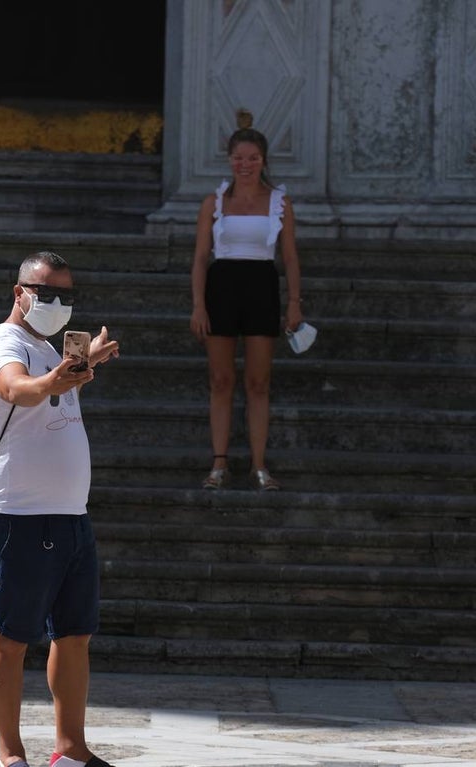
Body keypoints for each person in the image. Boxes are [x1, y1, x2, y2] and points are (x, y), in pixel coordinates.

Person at [0, 251, 120, 767]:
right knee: (10, 637)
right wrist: (50, 383)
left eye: (66, 295)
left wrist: (84, 363)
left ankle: (71, 749)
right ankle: (10, 756)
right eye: (46, 293)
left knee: (75, 635)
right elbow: (14, 387)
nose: (57, 303)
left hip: (71, 515)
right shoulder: (4, 345)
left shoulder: (50, 349)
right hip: (19, 516)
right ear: (19, 293)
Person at [189, 109, 303, 491]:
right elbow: (200, 258)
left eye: (253, 158)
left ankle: (258, 465)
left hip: (261, 287)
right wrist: (198, 305)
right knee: (221, 380)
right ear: (230, 160)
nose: (245, 165)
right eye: (239, 158)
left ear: (263, 161)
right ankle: (219, 463)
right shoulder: (213, 203)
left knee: (258, 382)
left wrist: (294, 302)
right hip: (222, 286)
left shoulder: (280, 204)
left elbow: (290, 258)